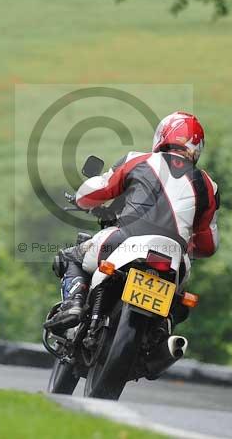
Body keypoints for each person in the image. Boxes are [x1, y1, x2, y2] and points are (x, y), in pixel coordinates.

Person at [44, 111, 219, 332]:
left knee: (72, 257)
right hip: (176, 261)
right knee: (177, 305)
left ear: (163, 135)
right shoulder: (208, 185)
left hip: (125, 239)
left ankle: (73, 306)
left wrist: (81, 199)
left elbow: (95, 191)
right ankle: (160, 335)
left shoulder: (138, 160)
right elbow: (208, 244)